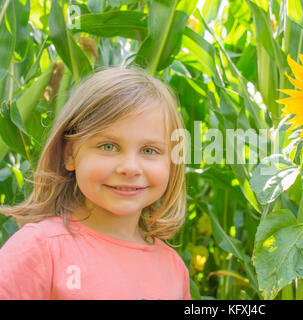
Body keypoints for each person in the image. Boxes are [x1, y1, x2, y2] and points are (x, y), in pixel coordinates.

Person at [0, 66, 190, 300]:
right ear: (70, 154)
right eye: (108, 146)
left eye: (149, 150)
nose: (130, 168)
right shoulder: (39, 249)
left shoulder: (172, 269)